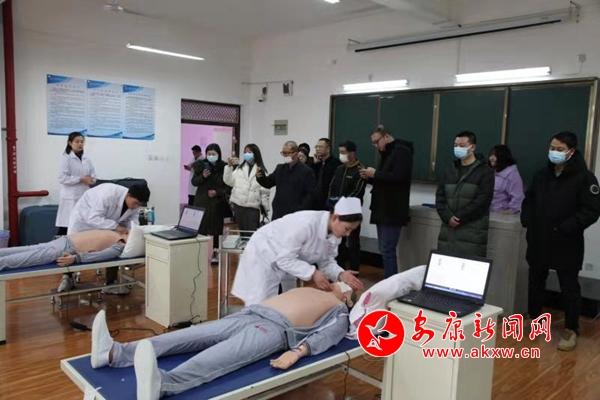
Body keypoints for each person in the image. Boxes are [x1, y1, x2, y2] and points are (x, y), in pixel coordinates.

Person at [90, 283, 354, 399]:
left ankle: (163, 384)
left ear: (348, 298)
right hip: (250, 314)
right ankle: (114, 353)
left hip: (273, 329)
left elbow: (329, 335)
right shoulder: (312, 287)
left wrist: (298, 351)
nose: (344, 284)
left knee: (218, 356)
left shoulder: (340, 310)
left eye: (350, 287)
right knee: (186, 336)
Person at [521, 131, 600, 351]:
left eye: (559, 149)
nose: (554, 152)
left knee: (569, 286)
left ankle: (571, 329)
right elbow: (529, 200)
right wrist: (526, 219)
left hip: (566, 240)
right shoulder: (541, 174)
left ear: (571, 151)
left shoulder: (585, 178)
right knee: (535, 280)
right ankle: (535, 319)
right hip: (539, 238)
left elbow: (591, 211)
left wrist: (566, 227)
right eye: (552, 148)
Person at [231, 197, 364, 305]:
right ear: (335, 218)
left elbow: (326, 261)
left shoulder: (334, 235)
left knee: (290, 300)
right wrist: (313, 272)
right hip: (265, 253)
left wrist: (341, 274)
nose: (348, 234)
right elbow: (284, 259)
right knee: (260, 302)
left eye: (351, 230)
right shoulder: (305, 224)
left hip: (289, 260)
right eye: (347, 229)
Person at [65, 183, 150, 294]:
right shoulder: (108, 194)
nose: (136, 206)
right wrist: (116, 227)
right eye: (135, 203)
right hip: (84, 221)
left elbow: (134, 222)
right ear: (128, 195)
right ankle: (67, 278)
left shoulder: (135, 204)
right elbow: (93, 218)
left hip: (107, 223)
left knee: (115, 245)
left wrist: (133, 233)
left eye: (139, 205)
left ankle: (111, 283)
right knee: (75, 246)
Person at [359, 125, 413, 279]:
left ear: (386, 136)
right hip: (382, 207)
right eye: (373, 143)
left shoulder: (402, 151)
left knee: (388, 249)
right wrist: (370, 178)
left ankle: (390, 284)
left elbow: (400, 178)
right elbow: (385, 181)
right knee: (384, 249)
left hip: (392, 209)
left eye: (377, 141)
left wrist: (376, 173)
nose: (376, 146)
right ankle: (388, 282)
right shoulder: (387, 153)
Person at [435, 131, 494, 258]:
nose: (458, 148)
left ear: (472, 147)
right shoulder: (450, 170)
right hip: (448, 232)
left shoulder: (484, 172)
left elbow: (482, 201)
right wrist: (447, 216)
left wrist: (459, 217)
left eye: (462, 145)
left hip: (472, 232)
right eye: (456, 145)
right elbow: (440, 197)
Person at [0, 229, 129, 271]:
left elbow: (100, 254)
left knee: (23, 251)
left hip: (64, 241)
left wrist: (77, 257)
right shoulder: (118, 241)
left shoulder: (117, 236)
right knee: (20, 259)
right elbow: (100, 255)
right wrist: (76, 258)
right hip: (66, 247)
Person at [328, 140, 366, 274]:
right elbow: (332, 187)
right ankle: (339, 271)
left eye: (343, 152)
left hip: (352, 212)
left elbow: (357, 191)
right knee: (338, 242)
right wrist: (331, 202)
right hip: (337, 211)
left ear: (352, 153)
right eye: (340, 152)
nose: (341, 155)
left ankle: (354, 271)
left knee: (353, 242)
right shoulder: (340, 169)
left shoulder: (360, 170)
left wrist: (342, 203)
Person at [256, 141, 316, 220]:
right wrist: (260, 176)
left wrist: (300, 210)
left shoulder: (306, 171)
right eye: (284, 153)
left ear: (296, 154)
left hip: (296, 213)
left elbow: (310, 195)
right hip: (279, 211)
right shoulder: (280, 168)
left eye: (288, 153)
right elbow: (268, 183)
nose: (285, 155)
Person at [223, 143, 270, 236]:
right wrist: (228, 167)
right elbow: (229, 181)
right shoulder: (239, 168)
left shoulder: (261, 170)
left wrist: (265, 209)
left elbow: (265, 191)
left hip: (252, 207)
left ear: (255, 154)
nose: (247, 154)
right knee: (242, 233)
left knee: (252, 234)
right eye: (245, 152)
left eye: (249, 152)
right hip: (238, 205)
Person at [192, 143, 228, 263]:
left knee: (216, 229)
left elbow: (227, 186)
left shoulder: (224, 167)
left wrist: (217, 192)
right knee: (201, 228)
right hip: (202, 201)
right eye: (209, 154)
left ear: (218, 154)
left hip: (217, 202)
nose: (211, 156)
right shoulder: (200, 165)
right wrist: (203, 176)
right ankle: (200, 253)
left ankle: (215, 253)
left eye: (214, 154)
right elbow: (194, 182)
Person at [55, 132, 96, 236]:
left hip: (84, 196)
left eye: (82, 142)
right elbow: (62, 178)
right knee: (66, 226)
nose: (80, 144)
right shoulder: (66, 158)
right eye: (77, 142)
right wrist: (80, 179)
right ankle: (59, 244)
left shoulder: (87, 159)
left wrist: (91, 179)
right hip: (70, 197)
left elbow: (93, 174)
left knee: (82, 225)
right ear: (70, 143)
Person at [488, 145, 524, 214]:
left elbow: (518, 197)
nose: (491, 158)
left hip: (503, 215)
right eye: (491, 155)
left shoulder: (512, 174)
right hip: (490, 213)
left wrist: (510, 211)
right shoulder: (491, 171)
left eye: (495, 155)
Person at [312, 138, 342, 210]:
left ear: (328, 149)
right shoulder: (317, 164)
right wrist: (315, 164)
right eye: (316, 147)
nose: (317, 149)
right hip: (316, 202)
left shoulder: (336, 164)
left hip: (329, 202)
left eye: (320, 147)